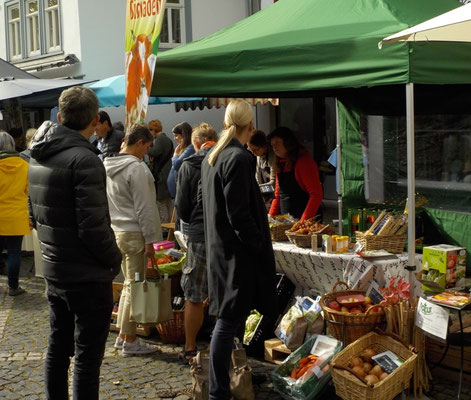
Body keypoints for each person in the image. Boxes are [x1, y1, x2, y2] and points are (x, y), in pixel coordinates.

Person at [28, 86, 122, 399]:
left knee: (58, 347)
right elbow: (93, 228)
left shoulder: (38, 156)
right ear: (96, 120)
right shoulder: (84, 160)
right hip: (85, 273)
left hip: (56, 268)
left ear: (59, 116)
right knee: (86, 355)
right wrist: (114, 258)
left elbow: (35, 216)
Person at [201, 100, 277, 400]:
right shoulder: (236, 157)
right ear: (250, 127)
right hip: (235, 253)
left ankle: (225, 383)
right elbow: (239, 214)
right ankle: (218, 390)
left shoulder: (214, 156)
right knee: (228, 320)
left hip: (221, 249)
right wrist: (257, 244)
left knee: (230, 318)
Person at [104, 123, 162, 356]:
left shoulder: (108, 164)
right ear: (139, 143)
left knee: (130, 283)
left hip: (118, 231)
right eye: (146, 146)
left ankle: (122, 336)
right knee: (133, 285)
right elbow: (145, 208)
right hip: (135, 234)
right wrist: (150, 240)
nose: (146, 152)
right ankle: (129, 339)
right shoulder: (135, 168)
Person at [174, 123, 218, 363]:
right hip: (224, 237)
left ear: (196, 143)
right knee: (222, 292)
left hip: (199, 234)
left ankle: (190, 347)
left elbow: (181, 206)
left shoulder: (188, 164)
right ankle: (223, 349)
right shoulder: (226, 158)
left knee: (194, 294)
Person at [268, 127, 323, 220]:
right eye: (272, 144)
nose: (274, 147)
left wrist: (303, 222)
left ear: (288, 143)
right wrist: (270, 216)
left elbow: (316, 195)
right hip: (288, 220)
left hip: (306, 220)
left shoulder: (304, 161)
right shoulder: (281, 162)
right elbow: (278, 194)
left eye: (277, 143)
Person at [0, 131, 29, 296]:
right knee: (14, 252)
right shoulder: (25, 165)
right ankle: (13, 286)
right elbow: (28, 192)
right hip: (17, 215)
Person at [147, 119, 174, 224]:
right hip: (167, 173)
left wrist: (146, 149)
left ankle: (164, 228)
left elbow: (156, 152)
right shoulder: (167, 139)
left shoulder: (159, 139)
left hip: (162, 174)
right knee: (168, 203)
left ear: (153, 130)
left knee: (161, 202)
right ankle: (171, 226)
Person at [167, 122, 195, 199]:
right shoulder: (185, 149)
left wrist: (175, 154)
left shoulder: (190, 148)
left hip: (181, 195)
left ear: (183, 135)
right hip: (177, 195)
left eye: (176, 136)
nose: (174, 138)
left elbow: (177, 164)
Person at [248, 130, 276, 202]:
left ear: (264, 145)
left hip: (275, 197)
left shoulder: (273, 155)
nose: (254, 153)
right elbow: (257, 178)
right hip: (264, 197)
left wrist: (255, 189)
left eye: (255, 150)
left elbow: (273, 184)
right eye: (251, 150)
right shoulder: (259, 155)